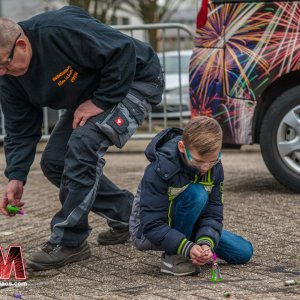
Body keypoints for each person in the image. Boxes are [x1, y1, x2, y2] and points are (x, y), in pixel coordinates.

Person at [0, 6, 164, 271]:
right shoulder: (9, 79)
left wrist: (100, 101)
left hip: (137, 79)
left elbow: (122, 50)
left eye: (4, 64)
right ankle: (130, 214)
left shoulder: (60, 30)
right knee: (55, 161)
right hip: (91, 95)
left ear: (21, 44)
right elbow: (20, 128)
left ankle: (69, 241)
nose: (2, 73)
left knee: (83, 144)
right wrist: (16, 176)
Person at [129, 116, 253, 276]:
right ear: (182, 147)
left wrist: (205, 243)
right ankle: (173, 258)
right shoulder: (159, 169)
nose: (205, 168)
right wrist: (186, 247)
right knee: (197, 194)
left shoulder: (214, 167)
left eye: (213, 161)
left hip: (189, 222)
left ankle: (193, 244)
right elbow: (152, 225)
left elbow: (213, 213)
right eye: (198, 161)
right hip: (149, 230)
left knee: (243, 252)